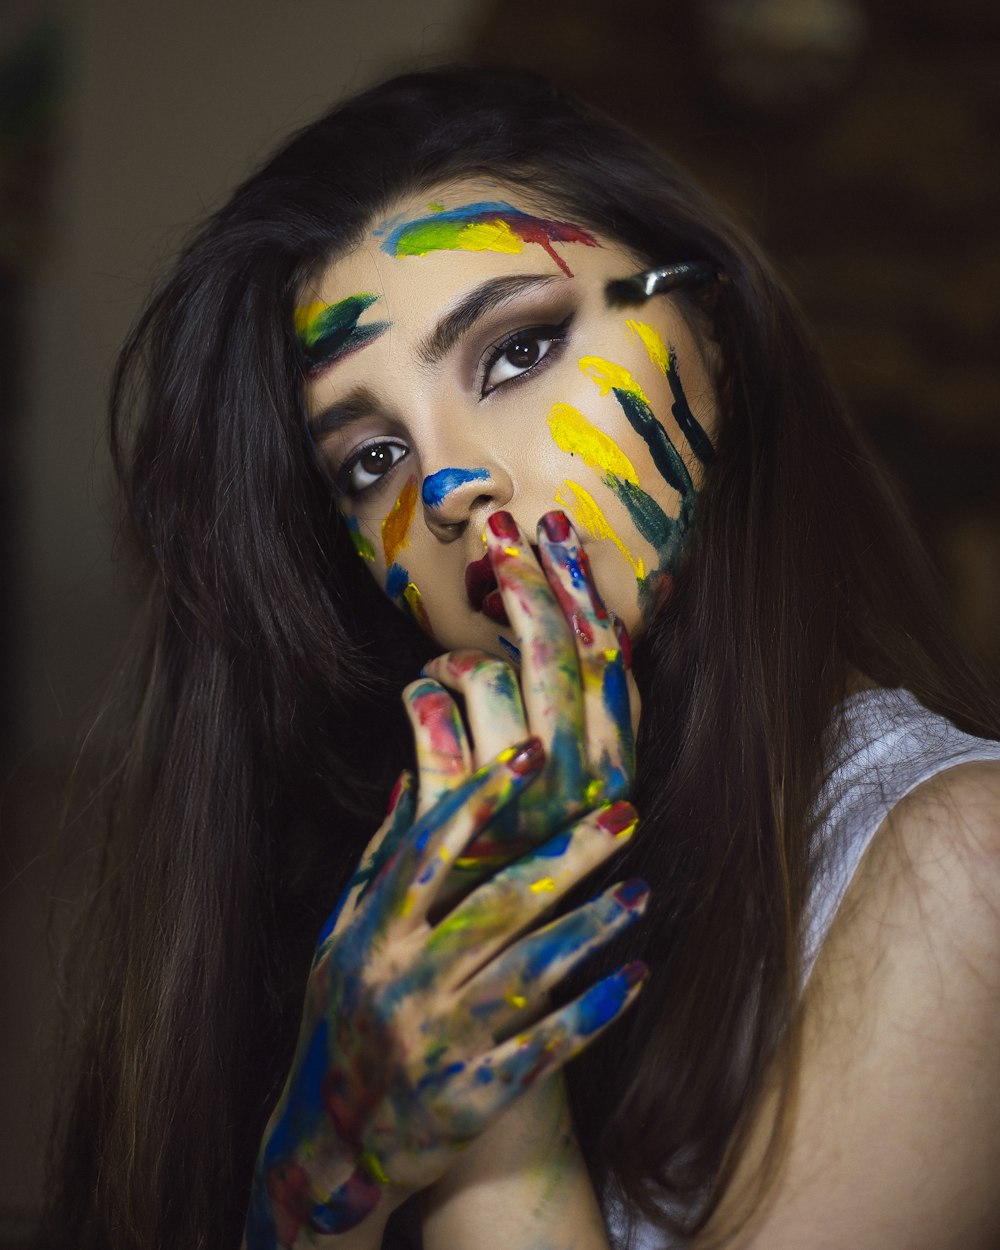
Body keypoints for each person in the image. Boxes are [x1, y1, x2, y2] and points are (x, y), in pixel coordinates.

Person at [43, 66, 1000, 1250]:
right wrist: (321, 1155)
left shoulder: (962, 863)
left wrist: (493, 1092)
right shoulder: (354, 905)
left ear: (716, 332)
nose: (448, 487)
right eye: (371, 458)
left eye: (516, 350)